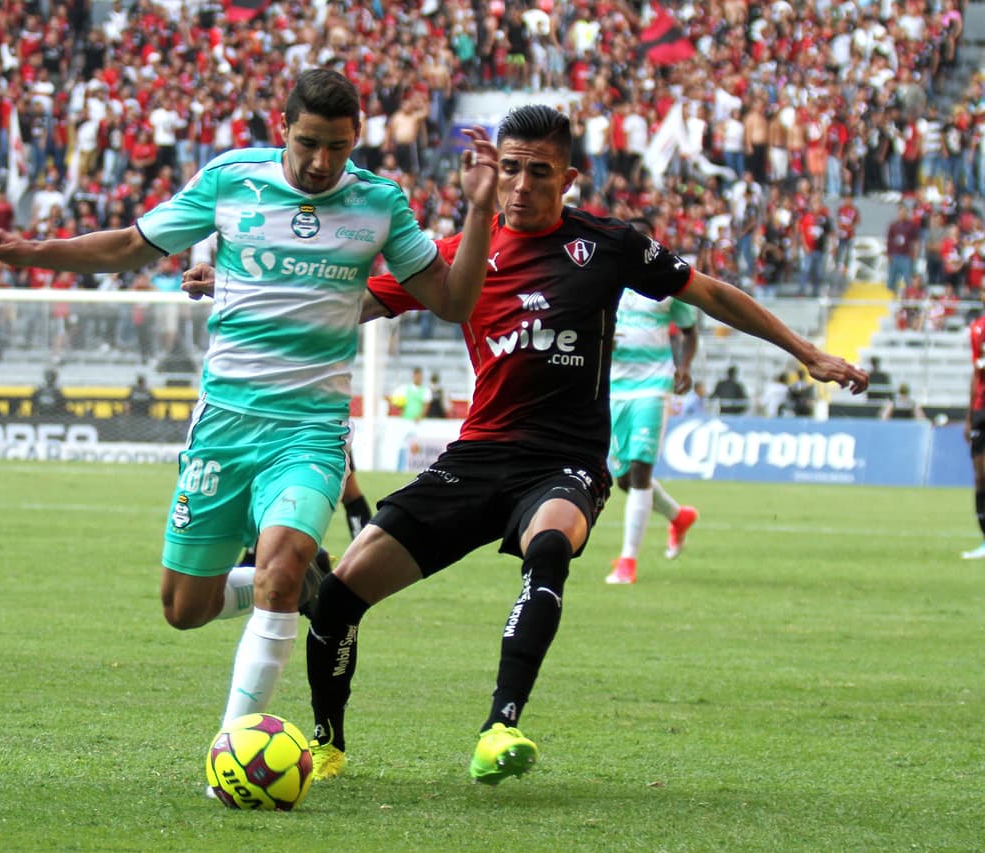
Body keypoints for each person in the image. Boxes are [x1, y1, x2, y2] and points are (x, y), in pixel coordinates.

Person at [259, 105, 867, 785]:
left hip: (566, 459)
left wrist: (807, 350)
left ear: (568, 177)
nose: (520, 184)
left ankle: (500, 725)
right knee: (341, 595)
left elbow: (711, 293)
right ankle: (328, 742)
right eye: (510, 169)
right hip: (478, 455)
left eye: (538, 172)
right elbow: (352, 301)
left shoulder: (607, 246)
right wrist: (242, 288)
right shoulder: (459, 256)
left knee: (549, 544)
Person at [0, 68, 500, 740]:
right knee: (184, 607)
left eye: (339, 148)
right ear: (284, 128)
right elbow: (129, 246)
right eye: (309, 144)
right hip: (223, 430)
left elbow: (453, 301)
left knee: (281, 563)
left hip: (309, 431)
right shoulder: (231, 178)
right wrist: (35, 250)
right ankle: (296, 583)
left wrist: (478, 210)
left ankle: (233, 747)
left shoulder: (380, 203)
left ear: (356, 140)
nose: (323, 162)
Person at [606, 223, 702, 585]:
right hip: (614, 388)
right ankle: (678, 517)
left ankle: (627, 562)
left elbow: (690, 331)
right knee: (625, 480)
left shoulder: (665, 285)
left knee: (641, 473)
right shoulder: (608, 282)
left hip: (653, 384)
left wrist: (685, 366)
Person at [964, 302, 985, 559]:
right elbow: (975, 371)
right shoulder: (977, 329)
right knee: (981, 477)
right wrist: (969, 415)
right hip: (982, 409)